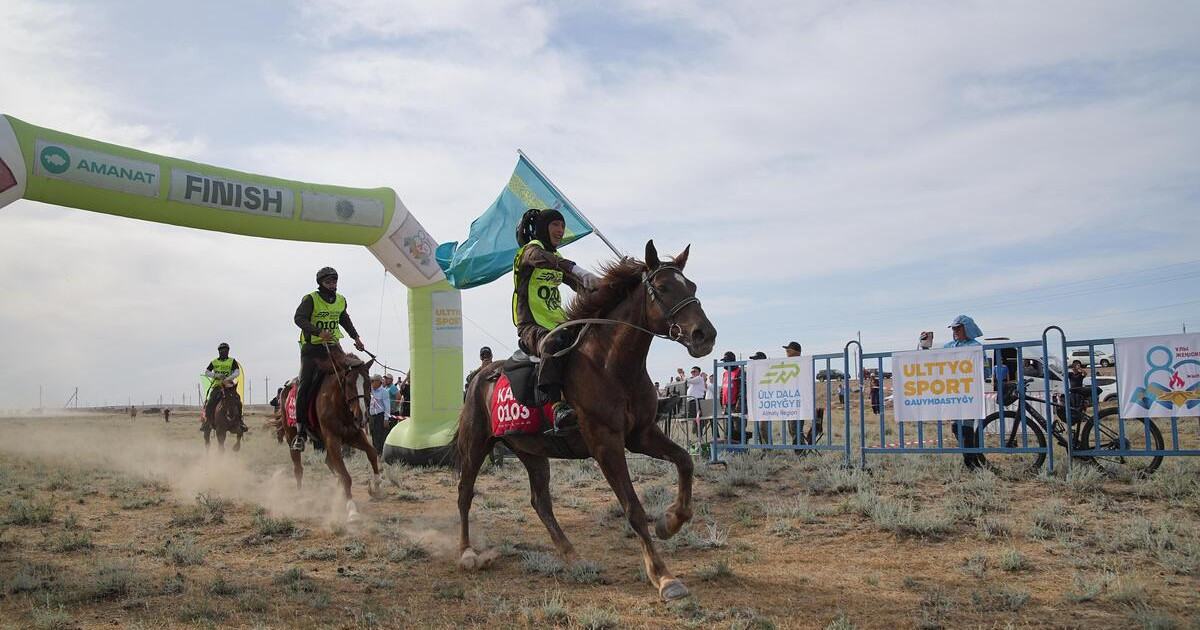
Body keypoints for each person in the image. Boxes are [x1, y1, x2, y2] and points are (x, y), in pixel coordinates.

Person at [511, 208, 599, 434]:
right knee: (553, 343)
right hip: (531, 326)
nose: (560, 230)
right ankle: (556, 406)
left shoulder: (557, 259)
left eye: (562, 225)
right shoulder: (529, 252)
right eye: (555, 225)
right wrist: (574, 268)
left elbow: (580, 286)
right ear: (543, 228)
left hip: (559, 323)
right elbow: (543, 259)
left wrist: (603, 286)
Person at [291, 267, 366, 452]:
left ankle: (351, 421)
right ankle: (300, 432)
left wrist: (356, 338)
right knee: (306, 384)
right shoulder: (310, 299)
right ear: (321, 283)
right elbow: (298, 318)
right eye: (329, 282)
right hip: (312, 351)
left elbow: (344, 319)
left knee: (352, 375)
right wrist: (318, 332)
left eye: (334, 282)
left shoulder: (341, 300)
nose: (332, 285)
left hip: (333, 348)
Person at [921, 315, 985, 469]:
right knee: (956, 427)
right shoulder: (949, 346)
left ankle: (970, 463)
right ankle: (970, 458)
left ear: (967, 328)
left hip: (969, 392)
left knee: (967, 426)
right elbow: (933, 360)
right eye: (954, 328)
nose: (955, 331)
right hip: (953, 393)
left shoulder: (976, 346)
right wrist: (924, 346)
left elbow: (984, 368)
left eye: (958, 327)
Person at [202, 343, 247, 434]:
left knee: (238, 401)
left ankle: (240, 421)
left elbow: (237, 372)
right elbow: (207, 372)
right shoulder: (214, 362)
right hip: (217, 386)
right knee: (210, 402)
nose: (223, 351)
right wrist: (216, 375)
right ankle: (206, 423)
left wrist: (228, 378)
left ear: (228, 351)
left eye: (225, 350)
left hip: (229, 386)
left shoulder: (232, 361)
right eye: (221, 350)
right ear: (219, 351)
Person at [718, 351, 745, 442]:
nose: (725, 364)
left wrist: (739, 402)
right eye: (724, 361)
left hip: (735, 404)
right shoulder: (725, 373)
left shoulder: (740, 371)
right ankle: (728, 445)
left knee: (738, 426)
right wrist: (721, 402)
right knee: (728, 426)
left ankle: (741, 446)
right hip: (726, 404)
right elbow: (723, 389)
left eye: (726, 361)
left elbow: (742, 389)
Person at [368, 374, 390, 454]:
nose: (372, 383)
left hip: (380, 416)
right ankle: (375, 451)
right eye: (371, 381)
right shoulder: (370, 390)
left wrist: (386, 419)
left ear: (378, 382)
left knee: (379, 435)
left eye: (373, 381)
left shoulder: (384, 392)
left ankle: (379, 453)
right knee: (373, 434)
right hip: (372, 416)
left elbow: (387, 406)